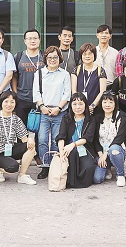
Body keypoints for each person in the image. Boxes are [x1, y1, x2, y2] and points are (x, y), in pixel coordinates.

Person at [0, 90, 37, 185]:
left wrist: (30, 139)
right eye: (6, 101)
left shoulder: (16, 119)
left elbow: (24, 138)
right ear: (1, 102)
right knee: (13, 167)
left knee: (31, 147)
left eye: (12, 102)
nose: (9, 105)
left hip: (9, 150)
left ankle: (22, 175)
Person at [33, 46, 71, 180]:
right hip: (44, 111)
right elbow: (36, 92)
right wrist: (42, 106)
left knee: (56, 140)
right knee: (42, 140)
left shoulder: (65, 74)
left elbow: (67, 94)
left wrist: (59, 108)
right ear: (45, 59)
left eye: (55, 57)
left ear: (59, 58)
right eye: (49, 57)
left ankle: (54, 165)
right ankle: (45, 166)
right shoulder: (39, 73)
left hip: (59, 112)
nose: (52, 60)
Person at [56, 93, 98, 188]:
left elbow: (88, 137)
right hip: (69, 150)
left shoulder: (91, 119)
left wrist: (73, 144)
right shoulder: (66, 118)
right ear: (70, 105)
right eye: (74, 104)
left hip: (85, 149)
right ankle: (70, 182)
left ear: (85, 105)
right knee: (72, 154)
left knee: (88, 168)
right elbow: (61, 136)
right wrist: (61, 151)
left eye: (80, 104)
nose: (77, 107)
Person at [93, 92, 126, 187]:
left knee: (114, 150)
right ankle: (107, 168)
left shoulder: (121, 116)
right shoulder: (97, 118)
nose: (107, 105)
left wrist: (106, 153)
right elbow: (95, 139)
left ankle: (120, 174)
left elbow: (120, 138)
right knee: (97, 179)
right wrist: (101, 155)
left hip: (118, 151)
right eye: (105, 102)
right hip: (102, 153)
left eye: (110, 102)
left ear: (115, 103)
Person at [12, 28, 44, 126]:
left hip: (41, 98)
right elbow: (14, 76)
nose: (32, 41)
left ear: (39, 40)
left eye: (35, 38)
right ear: (25, 41)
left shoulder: (45, 56)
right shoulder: (19, 56)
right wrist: (15, 93)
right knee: (21, 129)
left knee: (40, 130)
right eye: (29, 38)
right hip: (22, 98)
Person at [71, 43, 107, 119]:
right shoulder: (76, 70)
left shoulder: (100, 70)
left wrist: (92, 106)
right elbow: (74, 91)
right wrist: (79, 105)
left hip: (95, 109)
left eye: (90, 53)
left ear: (94, 55)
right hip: (79, 109)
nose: (87, 56)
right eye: (84, 54)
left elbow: (102, 92)